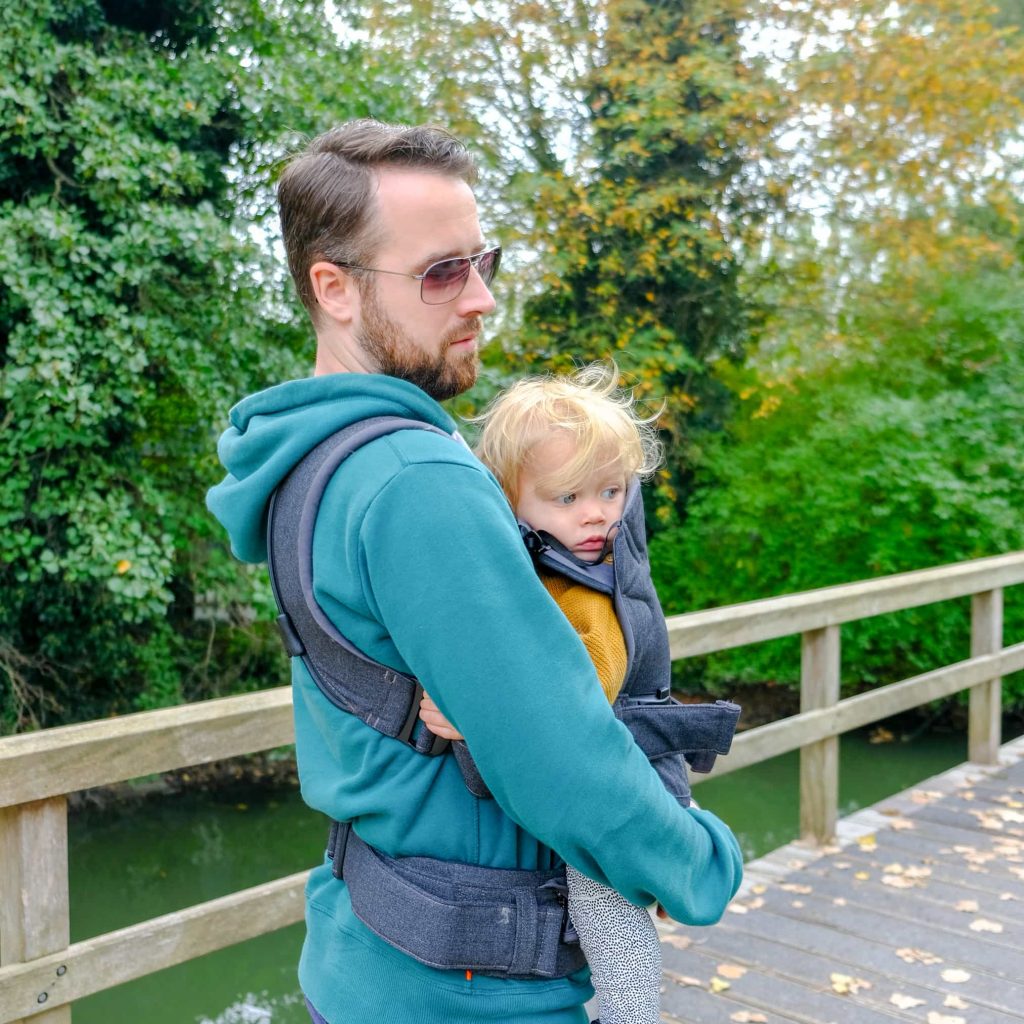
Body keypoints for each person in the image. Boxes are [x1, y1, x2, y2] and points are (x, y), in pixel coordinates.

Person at [206, 119, 742, 1024]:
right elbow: (563, 763)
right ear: (333, 288)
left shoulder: (311, 462)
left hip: (372, 953)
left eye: (482, 261)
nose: (482, 298)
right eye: (441, 272)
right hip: (477, 992)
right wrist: (702, 859)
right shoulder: (419, 480)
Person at [417, 363, 676, 1023]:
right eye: (568, 498)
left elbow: (569, 709)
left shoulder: (595, 594)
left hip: (606, 805)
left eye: (613, 491)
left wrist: (475, 713)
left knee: (613, 932)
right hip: (563, 806)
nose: (598, 515)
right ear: (509, 499)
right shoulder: (531, 561)